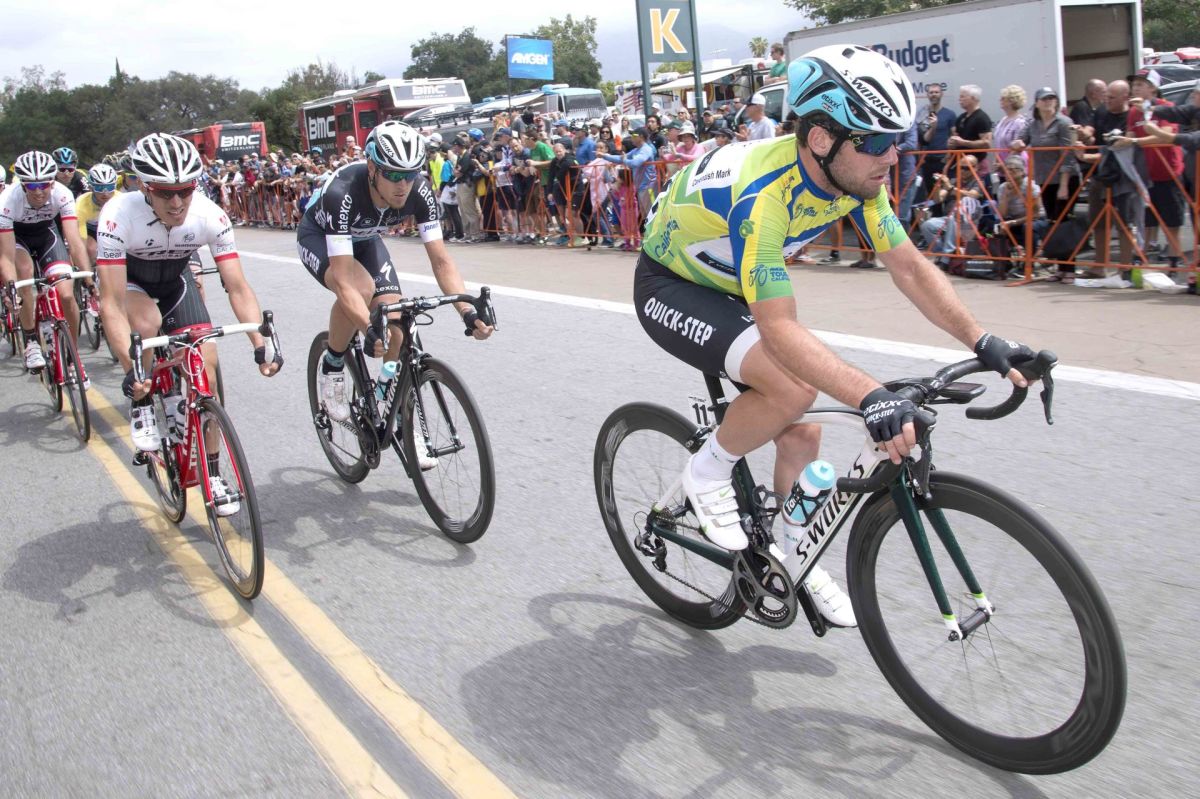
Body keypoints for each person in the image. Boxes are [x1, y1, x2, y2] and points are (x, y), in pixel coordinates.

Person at [635, 45, 1037, 627]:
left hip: (731, 283)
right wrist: (872, 396)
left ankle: (789, 554)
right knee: (793, 388)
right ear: (821, 138)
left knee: (803, 434)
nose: (892, 155)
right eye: (877, 141)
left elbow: (908, 266)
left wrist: (982, 341)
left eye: (897, 139)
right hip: (671, 285)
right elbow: (778, 328)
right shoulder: (765, 193)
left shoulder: (855, 177)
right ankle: (708, 469)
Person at [95, 133, 281, 461]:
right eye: (165, 193)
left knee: (207, 370)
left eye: (185, 190)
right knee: (147, 322)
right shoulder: (118, 213)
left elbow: (237, 286)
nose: (177, 203)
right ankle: (142, 401)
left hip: (175, 282)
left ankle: (213, 471)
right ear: (144, 187)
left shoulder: (209, 215)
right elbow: (111, 302)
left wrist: (260, 343)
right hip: (133, 284)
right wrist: (131, 369)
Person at [296, 121, 493, 424]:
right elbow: (345, 282)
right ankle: (332, 365)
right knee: (360, 289)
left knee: (396, 322)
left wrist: (467, 310)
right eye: (394, 175)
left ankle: (389, 402)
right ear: (372, 168)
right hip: (320, 237)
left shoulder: (420, 192)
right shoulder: (342, 192)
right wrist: (368, 328)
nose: (403, 185)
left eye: (410, 175)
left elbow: (441, 261)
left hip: (365, 239)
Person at [0, 151, 91, 373]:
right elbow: (6, 255)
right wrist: (11, 287)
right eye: (32, 186)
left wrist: (89, 280)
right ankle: (31, 340)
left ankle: (72, 353)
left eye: (44, 185)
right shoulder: (7, 201)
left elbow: (74, 241)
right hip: (18, 238)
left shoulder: (62, 193)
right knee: (24, 270)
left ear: (53, 182)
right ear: (22, 185)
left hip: (47, 236)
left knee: (67, 294)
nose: (39, 191)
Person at [1011, 87, 1079, 225]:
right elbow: (1020, 140)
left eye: (1051, 98)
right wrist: (1017, 143)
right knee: (1051, 219)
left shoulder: (1064, 122)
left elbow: (1067, 155)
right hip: (1044, 178)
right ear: (1037, 103)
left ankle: (1074, 239)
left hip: (1064, 178)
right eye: (1044, 99)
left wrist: (1063, 186)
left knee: (1061, 220)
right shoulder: (1033, 124)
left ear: (1056, 101)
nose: (1048, 101)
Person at [75, 163, 120, 266]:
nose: (105, 193)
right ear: (91, 187)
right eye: (99, 188)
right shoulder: (82, 203)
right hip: (90, 231)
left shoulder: (122, 199)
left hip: (112, 229)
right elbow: (81, 240)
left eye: (109, 187)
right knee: (91, 249)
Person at [916, 84, 956, 198]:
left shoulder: (949, 114)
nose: (934, 94)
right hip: (926, 161)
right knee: (930, 195)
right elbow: (919, 138)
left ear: (941, 94)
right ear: (927, 95)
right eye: (931, 92)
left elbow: (954, 136)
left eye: (936, 92)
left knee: (945, 193)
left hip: (943, 160)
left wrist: (949, 156)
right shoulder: (921, 114)